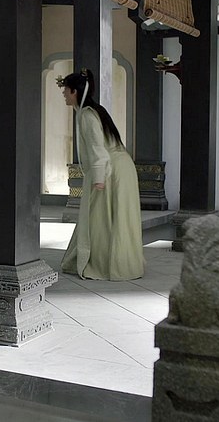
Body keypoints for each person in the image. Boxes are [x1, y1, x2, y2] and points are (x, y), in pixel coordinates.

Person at [57, 69, 144, 280]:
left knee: (100, 220)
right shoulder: (96, 110)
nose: (64, 94)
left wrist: (98, 178)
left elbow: (97, 147)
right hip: (122, 167)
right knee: (118, 218)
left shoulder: (87, 115)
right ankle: (126, 264)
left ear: (74, 91)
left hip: (110, 170)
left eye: (65, 90)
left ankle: (106, 264)